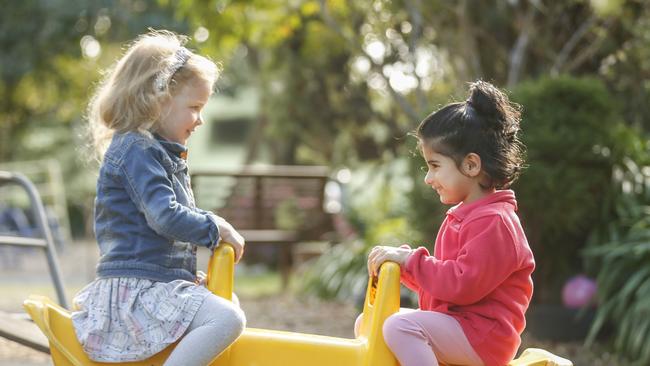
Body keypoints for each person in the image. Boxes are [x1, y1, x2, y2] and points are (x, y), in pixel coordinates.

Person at [71, 30, 246, 366]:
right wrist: (215, 227)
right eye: (195, 107)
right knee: (227, 319)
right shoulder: (137, 149)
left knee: (229, 306)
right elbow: (164, 216)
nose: (200, 119)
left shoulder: (158, 152)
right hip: (139, 289)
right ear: (157, 98)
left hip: (156, 280)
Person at [363, 81, 535, 366]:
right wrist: (402, 266)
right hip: (460, 326)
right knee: (371, 325)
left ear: (471, 165)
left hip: (484, 338)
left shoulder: (495, 222)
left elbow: (461, 285)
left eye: (435, 166)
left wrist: (410, 261)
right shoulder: (465, 216)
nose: (428, 179)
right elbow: (446, 284)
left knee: (399, 327)